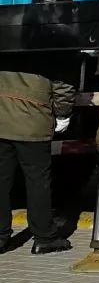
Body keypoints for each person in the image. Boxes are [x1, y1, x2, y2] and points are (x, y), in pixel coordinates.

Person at [0, 43, 75, 256]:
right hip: (33, 124)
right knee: (37, 182)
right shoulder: (52, 40)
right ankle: (44, 237)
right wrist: (62, 114)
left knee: (1, 180)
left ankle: (1, 237)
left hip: (2, 120)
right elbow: (63, 86)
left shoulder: (7, 31)